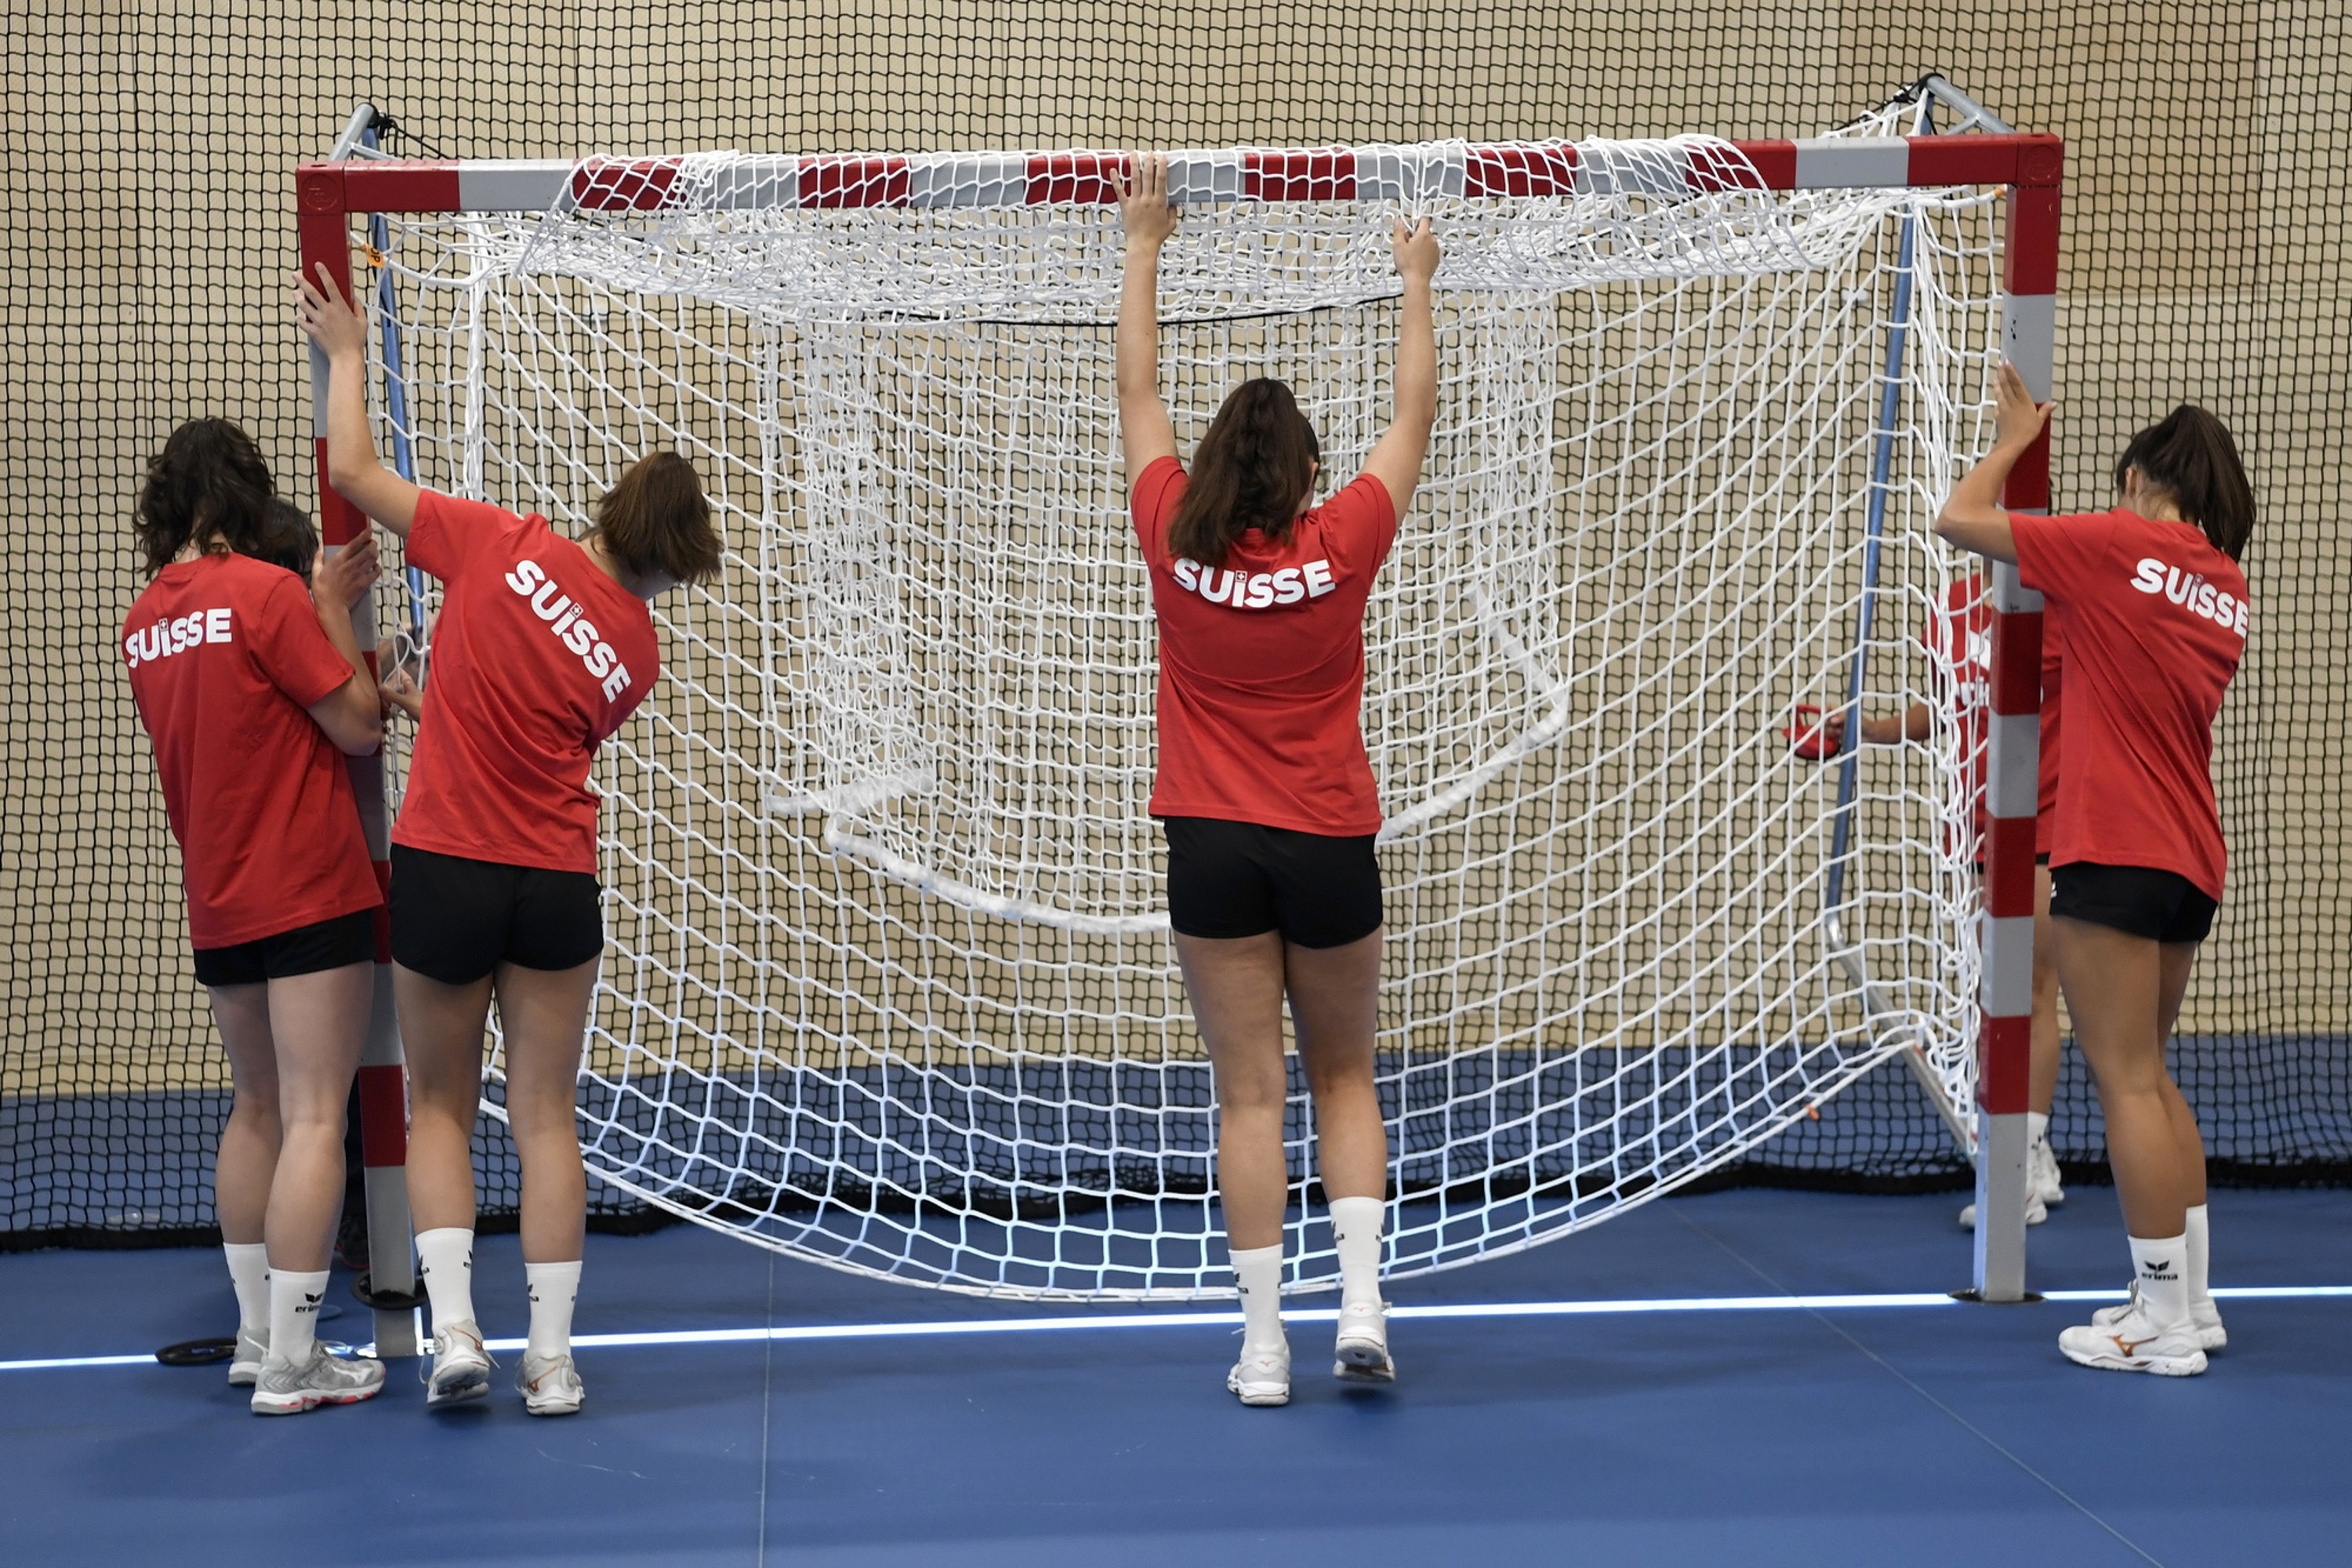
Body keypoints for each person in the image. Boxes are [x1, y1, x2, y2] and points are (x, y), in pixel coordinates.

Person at [299, 263, 724, 1415]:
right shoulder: (634, 654)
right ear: (668, 562)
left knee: (437, 1106)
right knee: (545, 1117)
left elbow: (352, 472)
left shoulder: (500, 541)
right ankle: (553, 1362)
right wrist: (433, 708)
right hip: (553, 886)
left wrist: (347, 356)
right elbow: (535, 735)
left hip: (445, 866)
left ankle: (454, 1338)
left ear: (608, 507)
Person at [1112, 153, 1438, 1406]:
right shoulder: (1345, 540)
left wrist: (1145, 240)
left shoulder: (1167, 534)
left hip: (1212, 846)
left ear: (1207, 473)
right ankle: (1363, 1311)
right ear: (1307, 477)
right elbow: (1412, 419)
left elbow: (1136, 387)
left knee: (1249, 1094)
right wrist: (1414, 280)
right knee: (1345, 1077)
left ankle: (1261, 1345)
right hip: (1326, 842)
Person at [1936, 364, 2252, 1376]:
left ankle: (2157, 1321)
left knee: (2123, 1086)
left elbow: (1960, 518)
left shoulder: (2118, 545)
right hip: (2191, 856)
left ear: (2134, 479)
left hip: (2111, 846)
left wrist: (2015, 446)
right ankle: (2191, 1303)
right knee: (2152, 1080)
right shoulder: (2225, 585)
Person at [122, 418, 388, 1414]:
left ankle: (252, 1336)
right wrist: (326, 605)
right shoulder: (267, 592)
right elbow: (357, 726)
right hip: (308, 884)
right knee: (320, 1112)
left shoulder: (145, 618)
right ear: (241, 491)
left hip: (220, 894)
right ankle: (293, 1359)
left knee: (259, 1107)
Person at [1787, 573, 2068, 1228]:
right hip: (1972, 825)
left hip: (2041, 818)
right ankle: (2032, 1152)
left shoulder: (2060, 597)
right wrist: (1859, 728)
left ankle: (2016, 1168)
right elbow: (1945, 705)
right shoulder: (1954, 602)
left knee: (2029, 989)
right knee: (1986, 993)